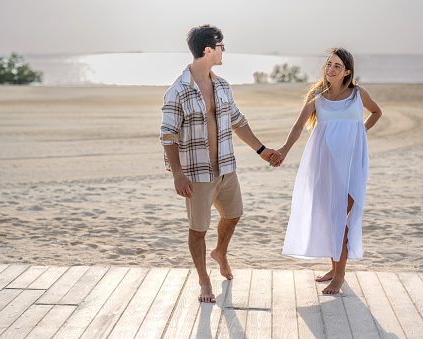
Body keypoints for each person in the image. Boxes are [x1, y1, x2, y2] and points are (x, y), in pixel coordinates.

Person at [160, 24, 279, 303]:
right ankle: (204, 281)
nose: (225, 50)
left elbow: (238, 121)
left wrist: (261, 149)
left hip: (226, 166)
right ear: (208, 50)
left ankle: (221, 252)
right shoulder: (177, 91)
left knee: (234, 214)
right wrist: (177, 173)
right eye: (221, 46)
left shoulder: (223, 85)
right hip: (197, 172)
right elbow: (167, 135)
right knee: (198, 229)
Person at [270, 48, 382, 294]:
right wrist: (284, 150)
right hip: (323, 163)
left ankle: (339, 276)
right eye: (329, 64)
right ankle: (334, 269)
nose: (330, 69)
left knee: (341, 217)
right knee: (332, 216)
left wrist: (360, 132)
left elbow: (376, 112)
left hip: (352, 164)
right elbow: (299, 125)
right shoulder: (317, 95)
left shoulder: (358, 94)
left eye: (337, 66)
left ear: (347, 72)